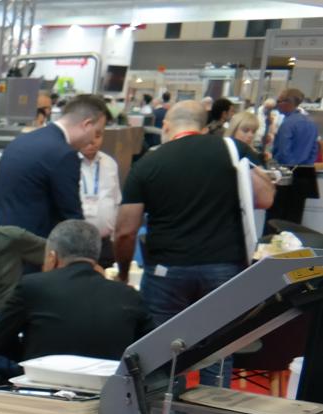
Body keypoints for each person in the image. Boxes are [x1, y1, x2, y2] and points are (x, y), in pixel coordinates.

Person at [116, 101, 276, 383]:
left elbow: (126, 230)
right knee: (218, 351)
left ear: (166, 126)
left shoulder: (148, 163)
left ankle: (161, 409)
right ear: (204, 127)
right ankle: (212, 410)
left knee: (161, 354)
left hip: (166, 270)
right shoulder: (233, 150)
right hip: (224, 266)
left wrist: (124, 272)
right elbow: (265, 198)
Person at [0, 220, 150, 362]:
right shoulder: (128, 295)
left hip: (44, 384)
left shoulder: (32, 286)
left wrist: (30, 359)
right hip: (109, 387)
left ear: (52, 257)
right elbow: (152, 349)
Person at [0, 94, 111, 238]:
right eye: (97, 132)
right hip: (31, 243)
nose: (93, 140)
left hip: (0, 236)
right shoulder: (63, 154)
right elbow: (71, 217)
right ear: (87, 125)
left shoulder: (22, 140)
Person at [268, 88, 320, 232]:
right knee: (295, 220)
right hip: (304, 175)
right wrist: (305, 164)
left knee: (276, 220)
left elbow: (283, 152)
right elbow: (314, 150)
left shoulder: (287, 124)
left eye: (279, 101)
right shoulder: (311, 123)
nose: (277, 104)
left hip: (285, 176)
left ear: (288, 102)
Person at [78, 136, 122, 265]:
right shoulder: (67, 162)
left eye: (97, 136)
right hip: (76, 243)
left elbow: (116, 201)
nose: (92, 141)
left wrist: (114, 237)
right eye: (88, 136)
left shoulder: (109, 163)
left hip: (105, 242)